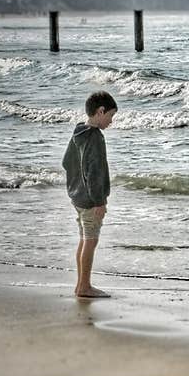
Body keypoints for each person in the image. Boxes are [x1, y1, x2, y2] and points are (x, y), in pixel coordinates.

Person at [62, 91, 117, 298]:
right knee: (90, 241)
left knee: (84, 240)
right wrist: (99, 201)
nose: (111, 121)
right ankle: (84, 287)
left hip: (77, 197)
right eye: (110, 115)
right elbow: (93, 172)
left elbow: (66, 162)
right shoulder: (94, 138)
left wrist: (75, 187)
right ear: (100, 111)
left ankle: (80, 285)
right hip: (89, 200)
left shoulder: (79, 132)